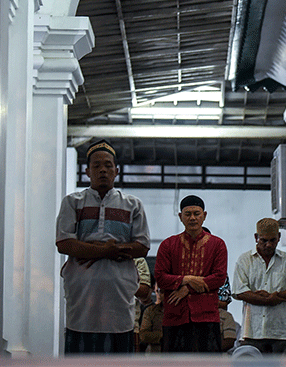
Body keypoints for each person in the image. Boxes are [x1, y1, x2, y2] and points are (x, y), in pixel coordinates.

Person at [55, 139, 150, 354]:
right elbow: (63, 243)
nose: (103, 170)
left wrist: (93, 249)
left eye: (108, 165)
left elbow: (142, 246)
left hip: (119, 291)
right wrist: (105, 251)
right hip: (82, 292)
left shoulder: (132, 204)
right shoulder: (73, 202)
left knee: (118, 353)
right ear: (87, 171)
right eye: (96, 166)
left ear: (116, 171)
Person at [154, 195, 228, 352]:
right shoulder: (168, 245)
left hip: (207, 316)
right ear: (180, 217)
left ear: (204, 215)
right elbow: (160, 277)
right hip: (175, 316)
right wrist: (186, 279)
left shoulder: (218, 244)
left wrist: (187, 288)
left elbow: (219, 277)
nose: (192, 218)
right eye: (188, 214)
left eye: (197, 213)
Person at [232, 218, 286, 354]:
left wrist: (275, 297)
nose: (269, 245)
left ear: (279, 238)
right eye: (264, 240)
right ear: (256, 237)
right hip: (252, 332)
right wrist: (269, 300)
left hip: (281, 333)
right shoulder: (244, 260)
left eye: (273, 240)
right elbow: (239, 292)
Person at [139, 281, 164, 353]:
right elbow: (143, 336)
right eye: (158, 291)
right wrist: (163, 335)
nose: (159, 294)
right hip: (155, 353)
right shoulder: (151, 311)